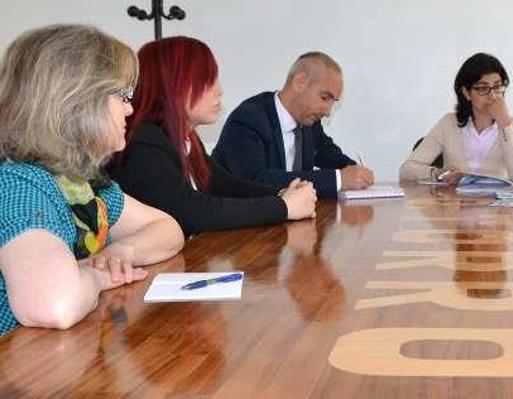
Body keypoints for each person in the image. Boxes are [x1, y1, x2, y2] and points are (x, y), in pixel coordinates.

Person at [0, 25, 184, 336]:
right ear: (76, 103)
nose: (129, 108)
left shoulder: (80, 185)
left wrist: (119, 254)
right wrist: (99, 277)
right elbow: (54, 306)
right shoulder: (18, 184)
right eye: (122, 96)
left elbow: (168, 229)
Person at [109, 37, 317, 237]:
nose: (219, 91)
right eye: (207, 81)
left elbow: (223, 185)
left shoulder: (184, 136)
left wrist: (282, 193)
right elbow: (191, 212)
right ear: (173, 85)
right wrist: (284, 207)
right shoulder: (141, 143)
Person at [212, 51, 373, 199]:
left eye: (332, 102)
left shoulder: (309, 122)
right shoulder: (249, 118)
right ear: (299, 82)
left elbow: (329, 154)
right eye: (324, 98)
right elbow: (254, 180)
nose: (328, 112)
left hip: (283, 221)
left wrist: (355, 171)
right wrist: (338, 179)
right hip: (237, 227)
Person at [399, 53, 513, 184]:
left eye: (497, 87)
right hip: (456, 203)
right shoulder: (449, 123)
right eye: (482, 88)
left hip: (497, 203)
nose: (492, 95)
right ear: (466, 93)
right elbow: (407, 169)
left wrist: (505, 123)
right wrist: (439, 173)